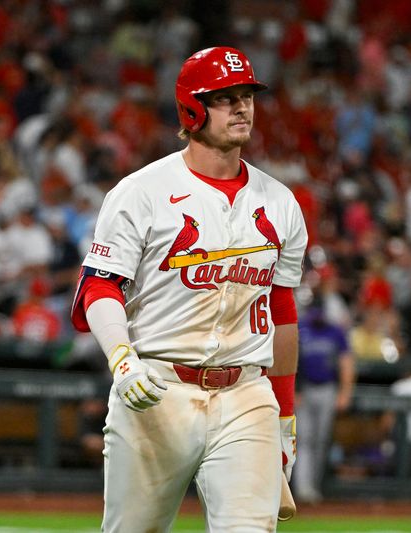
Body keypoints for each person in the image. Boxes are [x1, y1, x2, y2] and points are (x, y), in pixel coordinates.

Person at [71, 47, 308, 532]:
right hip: (157, 391)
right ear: (192, 108)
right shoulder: (141, 192)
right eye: (225, 98)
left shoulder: (281, 203)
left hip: (246, 395)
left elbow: (282, 313)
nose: (242, 107)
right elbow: (99, 287)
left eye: (246, 96)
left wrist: (284, 416)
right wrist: (122, 360)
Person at [293, 302, 355, 503]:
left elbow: (346, 361)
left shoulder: (335, 331)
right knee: (303, 439)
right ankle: (303, 488)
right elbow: (291, 358)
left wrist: (345, 392)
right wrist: (293, 389)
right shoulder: (302, 327)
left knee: (321, 440)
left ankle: (314, 486)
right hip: (305, 389)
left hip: (328, 389)